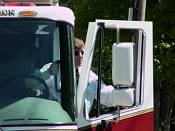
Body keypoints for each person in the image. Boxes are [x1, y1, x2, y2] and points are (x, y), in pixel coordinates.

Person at [74, 38, 135, 118]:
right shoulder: (53, 72)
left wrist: (124, 97)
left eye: (82, 52)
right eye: (76, 53)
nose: (80, 56)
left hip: (79, 124)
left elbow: (104, 93)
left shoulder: (88, 75)